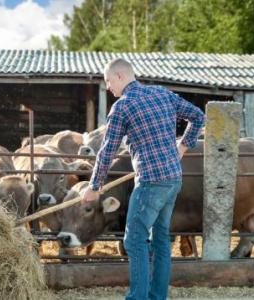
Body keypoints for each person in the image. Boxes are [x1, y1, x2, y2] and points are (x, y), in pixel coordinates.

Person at [82, 58, 205, 300]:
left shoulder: (122, 106)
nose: (108, 88)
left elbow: (107, 151)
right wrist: (182, 147)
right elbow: (198, 116)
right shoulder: (162, 93)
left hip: (150, 182)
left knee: (134, 240)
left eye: (108, 81)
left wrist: (94, 186)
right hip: (172, 179)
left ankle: (137, 297)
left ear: (119, 76)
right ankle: (157, 296)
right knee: (160, 239)